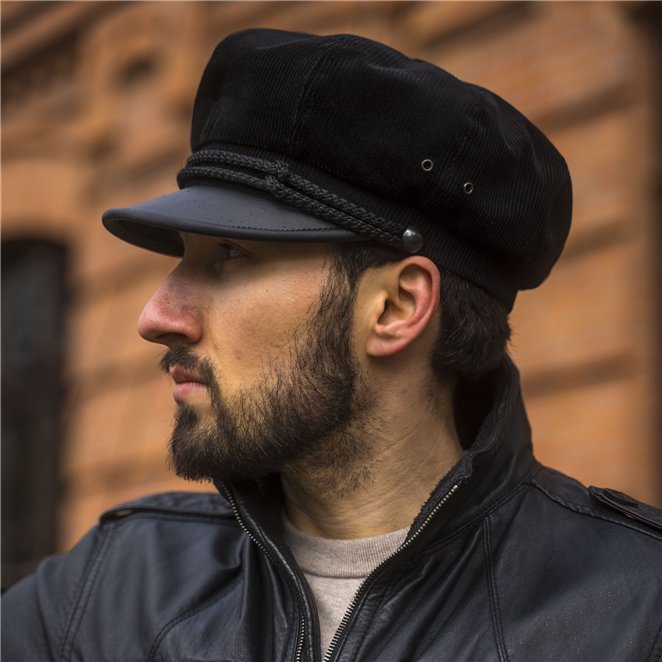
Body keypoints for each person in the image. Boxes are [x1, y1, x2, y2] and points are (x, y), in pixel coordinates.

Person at [3, 28, 661, 662]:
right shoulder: (106, 591)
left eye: (229, 256)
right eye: (184, 257)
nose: (156, 315)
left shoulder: (636, 611)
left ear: (397, 307)